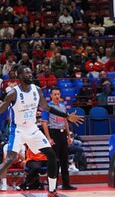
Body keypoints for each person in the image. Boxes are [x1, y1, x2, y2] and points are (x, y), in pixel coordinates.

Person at [0, 66, 83, 197]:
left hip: (32, 128)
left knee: (51, 155)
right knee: (9, 160)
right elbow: (1, 110)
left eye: (30, 72)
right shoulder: (13, 93)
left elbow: (47, 107)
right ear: (20, 76)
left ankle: (51, 191)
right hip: (18, 130)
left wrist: (66, 116)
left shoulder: (37, 90)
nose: (29, 75)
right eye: (26, 73)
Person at [41, 86, 77, 190]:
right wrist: (48, 138)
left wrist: (69, 136)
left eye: (58, 94)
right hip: (53, 133)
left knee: (64, 160)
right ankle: (53, 185)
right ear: (51, 95)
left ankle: (66, 184)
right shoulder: (47, 107)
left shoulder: (62, 106)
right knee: (54, 161)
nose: (57, 96)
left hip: (62, 134)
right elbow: (44, 123)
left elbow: (65, 121)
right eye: (55, 94)